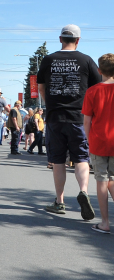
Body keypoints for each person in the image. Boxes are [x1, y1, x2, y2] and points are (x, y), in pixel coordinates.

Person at [38, 24, 101, 218]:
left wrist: (51, 104)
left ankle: (60, 201)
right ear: (78, 40)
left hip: (56, 117)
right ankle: (83, 190)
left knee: (58, 161)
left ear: (60, 39)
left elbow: (41, 88)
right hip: (79, 117)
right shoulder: (86, 60)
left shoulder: (48, 60)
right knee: (81, 157)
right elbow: (96, 89)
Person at [82, 53, 114, 234]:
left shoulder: (92, 91)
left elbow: (87, 121)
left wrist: (88, 140)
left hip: (99, 141)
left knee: (102, 180)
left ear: (99, 70)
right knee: (113, 179)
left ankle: (105, 222)